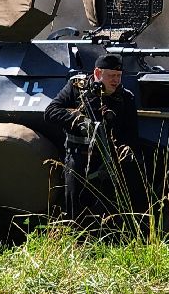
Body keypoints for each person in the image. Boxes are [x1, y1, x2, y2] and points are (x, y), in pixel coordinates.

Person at [46, 52, 143, 218]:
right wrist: (78, 121)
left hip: (108, 160)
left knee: (110, 210)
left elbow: (131, 133)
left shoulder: (125, 98)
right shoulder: (76, 89)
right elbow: (50, 112)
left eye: (119, 76)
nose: (116, 80)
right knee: (74, 208)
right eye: (111, 75)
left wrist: (127, 149)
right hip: (78, 157)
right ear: (97, 73)